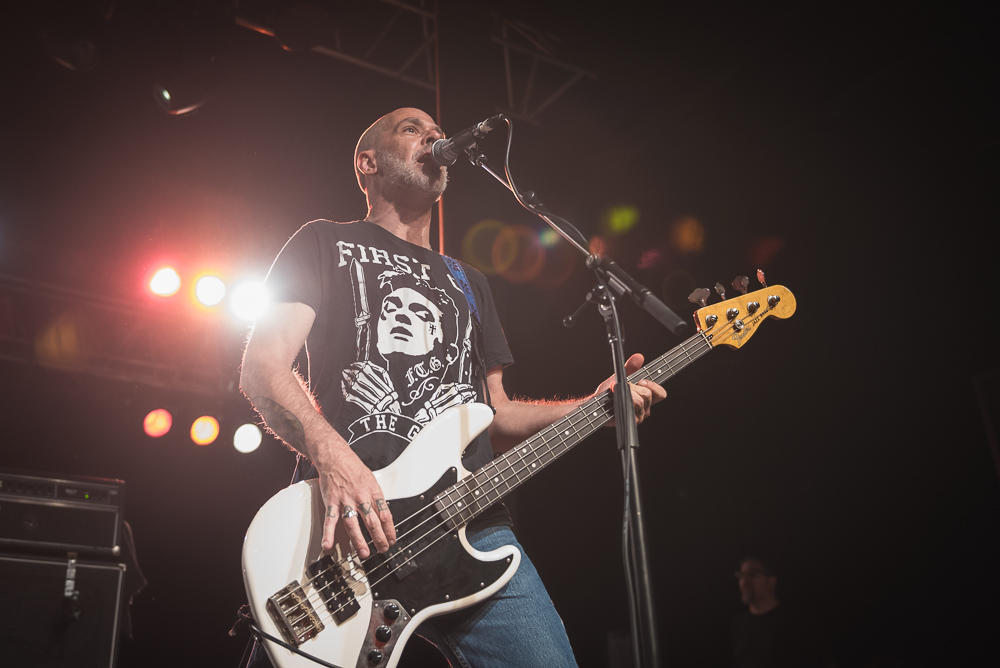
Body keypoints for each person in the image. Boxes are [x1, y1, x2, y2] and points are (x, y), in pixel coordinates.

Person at [239, 107, 666, 668]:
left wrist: (593, 406)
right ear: (367, 163)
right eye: (411, 129)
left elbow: (497, 415)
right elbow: (262, 368)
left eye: (437, 130)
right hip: (349, 529)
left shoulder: (470, 283)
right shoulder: (323, 243)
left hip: (473, 528)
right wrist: (331, 454)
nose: (435, 135)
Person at [731, 556, 834, 668]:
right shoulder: (738, 624)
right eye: (741, 575)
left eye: (752, 574)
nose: (744, 581)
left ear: (771, 581)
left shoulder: (796, 621)